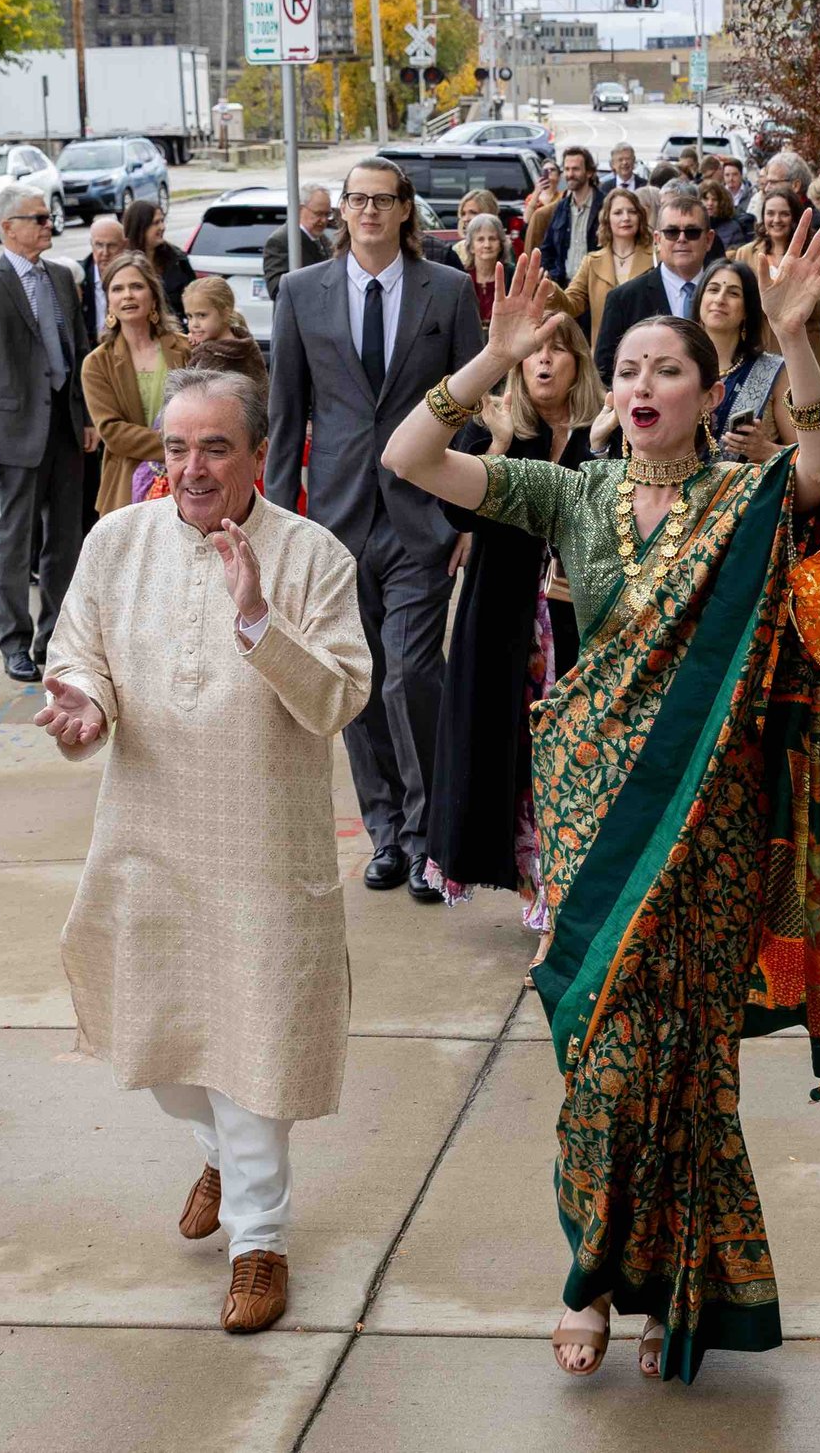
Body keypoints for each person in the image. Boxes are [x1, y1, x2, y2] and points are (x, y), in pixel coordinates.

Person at [380, 216, 820, 1385]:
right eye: (628, 367)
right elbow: (410, 461)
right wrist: (489, 360)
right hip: (590, 805)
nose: (643, 383)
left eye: (668, 368)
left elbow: (819, 467)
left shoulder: (741, 500)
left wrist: (796, 340)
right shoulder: (567, 495)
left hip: (712, 820)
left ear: (705, 389)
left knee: (688, 1059)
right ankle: (592, 1268)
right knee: (601, 1055)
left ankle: (662, 1285)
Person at [37, 369, 370, 1336]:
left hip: (266, 845)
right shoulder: (116, 539)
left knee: (257, 1036)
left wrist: (259, 620)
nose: (191, 467)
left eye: (216, 446)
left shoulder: (313, 555)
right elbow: (79, 652)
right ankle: (223, 1148)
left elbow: (340, 697)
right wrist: (82, 707)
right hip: (150, 836)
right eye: (177, 447)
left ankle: (259, 1240)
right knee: (163, 1039)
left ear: (260, 454)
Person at [265, 158, 483, 904]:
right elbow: (286, 415)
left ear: (403, 211)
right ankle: (387, 833)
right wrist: (276, 526)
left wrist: (465, 515)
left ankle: (428, 839)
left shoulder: (448, 292)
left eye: (380, 200)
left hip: (422, 514)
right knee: (355, 683)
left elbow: (473, 411)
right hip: (334, 517)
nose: (366, 211)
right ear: (343, 213)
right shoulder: (299, 294)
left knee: (411, 673)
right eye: (355, 199)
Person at [421, 320, 601, 938]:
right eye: (534, 353)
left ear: (578, 361)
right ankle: (540, 898)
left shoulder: (602, 430)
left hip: (575, 625)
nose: (545, 362)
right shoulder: (500, 426)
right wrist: (493, 445)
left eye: (558, 351)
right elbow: (451, 509)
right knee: (516, 763)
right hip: (502, 619)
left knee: (573, 761)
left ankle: (562, 908)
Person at [0, 188, 95, 683]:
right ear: (7, 227)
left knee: (65, 539)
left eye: (48, 216)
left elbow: (79, 351)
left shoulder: (60, 276)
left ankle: (54, 637)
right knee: (15, 540)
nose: (47, 224)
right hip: (13, 428)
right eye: (37, 218)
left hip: (64, 422)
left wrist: (87, 417)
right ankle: (14, 643)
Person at [79, 250, 192, 519]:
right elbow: (113, 432)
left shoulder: (186, 349)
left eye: (137, 286)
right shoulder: (97, 363)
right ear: (108, 302)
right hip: (126, 487)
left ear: (153, 296)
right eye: (117, 289)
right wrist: (178, 447)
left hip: (188, 481)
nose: (127, 295)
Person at [595, 187, 719, 381]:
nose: (681, 239)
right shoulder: (624, 299)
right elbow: (604, 372)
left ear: (709, 239)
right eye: (671, 232)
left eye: (692, 232)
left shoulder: (728, 293)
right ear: (657, 240)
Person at [696, 260, 798, 458]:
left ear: (747, 310)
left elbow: (805, 456)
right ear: (700, 298)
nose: (720, 299)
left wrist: (765, 450)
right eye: (713, 289)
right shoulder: (676, 364)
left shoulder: (772, 371)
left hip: (748, 486)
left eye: (733, 293)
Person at [550, 187, 654, 351]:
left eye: (632, 211)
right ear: (607, 219)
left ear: (640, 216)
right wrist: (551, 290)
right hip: (604, 356)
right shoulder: (592, 262)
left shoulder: (656, 258)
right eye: (618, 212)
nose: (626, 218)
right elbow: (571, 305)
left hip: (647, 351)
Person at [732, 187, 820, 347]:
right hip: (759, 346)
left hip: (803, 346)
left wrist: (799, 300)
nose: (776, 219)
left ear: (795, 217)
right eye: (770, 213)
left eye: (784, 214)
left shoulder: (812, 255)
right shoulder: (745, 254)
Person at [525, 145, 604, 283]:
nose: (570, 174)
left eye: (576, 169)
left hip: (595, 285)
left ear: (589, 172)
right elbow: (547, 247)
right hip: (564, 286)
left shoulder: (604, 205)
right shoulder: (561, 207)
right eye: (567, 169)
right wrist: (548, 272)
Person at [121, 198, 196, 319]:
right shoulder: (122, 265)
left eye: (162, 221)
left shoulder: (177, 260)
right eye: (156, 223)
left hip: (175, 333)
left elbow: (194, 301)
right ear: (141, 227)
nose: (162, 227)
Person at [262, 185, 332, 299]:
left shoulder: (323, 240)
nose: (324, 220)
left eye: (327, 214)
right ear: (299, 210)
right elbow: (276, 289)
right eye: (318, 214)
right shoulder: (281, 240)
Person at [74, 215, 129, 345]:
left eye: (112, 245)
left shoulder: (135, 276)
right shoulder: (78, 279)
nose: (105, 252)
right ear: (91, 244)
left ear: (124, 245)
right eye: (99, 245)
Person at [459, 213, 511, 332]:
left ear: (501, 245)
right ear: (471, 246)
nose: (487, 245)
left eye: (492, 239)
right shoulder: (461, 278)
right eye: (480, 239)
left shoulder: (512, 275)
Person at [702, 178, 755, 254]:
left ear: (722, 203)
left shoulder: (733, 228)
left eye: (714, 199)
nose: (710, 203)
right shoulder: (697, 225)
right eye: (706, 199)